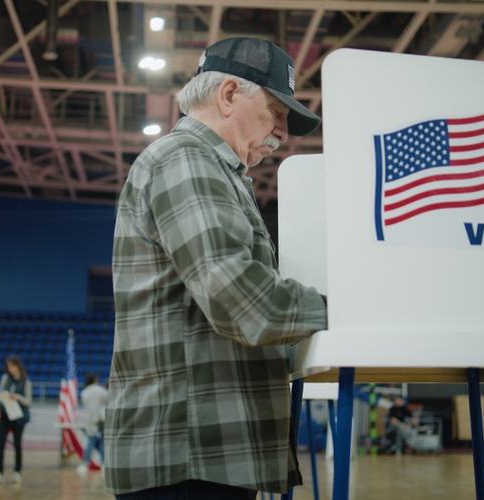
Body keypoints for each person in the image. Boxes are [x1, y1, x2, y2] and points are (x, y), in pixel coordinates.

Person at [105, 37, 328, 499]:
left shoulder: (208, 169)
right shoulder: (187, 159)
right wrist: (340, 309)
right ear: (228, 95)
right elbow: (242, 301)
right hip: (188, 460)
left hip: (199, 457)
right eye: (276, 111)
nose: (282, 133)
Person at [0, 355, 32, 485]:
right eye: (8, 366)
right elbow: (0, 394)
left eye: (12, 366)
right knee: (1, 443)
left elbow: (28, 402)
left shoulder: (26, 381)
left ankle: (17, 472)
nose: (10, 369)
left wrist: (18, 397)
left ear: (18, 366)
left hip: (18, 418)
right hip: (4, 416)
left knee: (17, 445)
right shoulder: (5, 378)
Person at [78, 373, 108, 473]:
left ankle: (85, 464)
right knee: (100, 442)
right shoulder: (100, 390)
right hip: (100, 419)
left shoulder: (84, 392)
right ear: (95, 380)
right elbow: (108, 399)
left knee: (90, 442)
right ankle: (104, 464)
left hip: (89, 421)